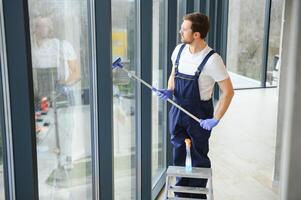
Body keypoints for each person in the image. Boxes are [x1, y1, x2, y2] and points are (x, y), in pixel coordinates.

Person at [155, 12, 234, 199]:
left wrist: (215, 119)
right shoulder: (179, 51)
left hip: (200, 113)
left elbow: (228, 91)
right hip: (177, 109)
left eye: (184, 29)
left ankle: (197, 195)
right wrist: (169, 90)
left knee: (198, 154)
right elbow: (174, 75)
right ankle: (182, 193)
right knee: (179, 150)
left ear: (196, 34)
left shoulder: (213, 60)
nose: (180, 31)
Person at [31, 15, 81, 170]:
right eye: (39, 25)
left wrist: (63, 84)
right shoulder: (31, 48)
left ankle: (65, 161)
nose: (42, 29)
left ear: (51, 27)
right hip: (41, 96)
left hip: (61, 93)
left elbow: (76, 72)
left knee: (65, 129)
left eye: (46, 25)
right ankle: (46, 166)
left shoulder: (63, 45)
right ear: (35, 28)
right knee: (42, 130)